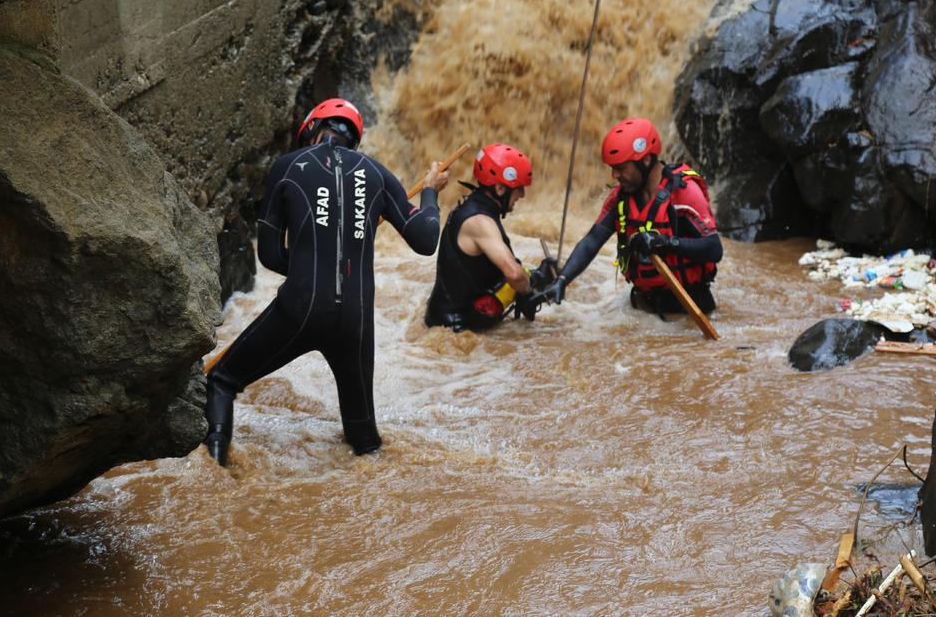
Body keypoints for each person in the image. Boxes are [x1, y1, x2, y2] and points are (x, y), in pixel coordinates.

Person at [203, 98, 448, 466]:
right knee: (363, 437)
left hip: (300, 307)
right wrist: (430, 191)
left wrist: (309, 269)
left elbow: (269, 255)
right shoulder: (377, 173)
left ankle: (214, 479)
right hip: (356, 318)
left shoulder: (287, 167)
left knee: (221, 381)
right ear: (354, 139)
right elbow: (426, 240)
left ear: (311, 129)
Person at [522, 117, 722, 317]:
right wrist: (562, 280)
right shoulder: (620, 199)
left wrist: (665, 242)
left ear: (645, 160)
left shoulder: (684, 193)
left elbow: (714, 248)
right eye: (612, 168)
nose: (614, 175)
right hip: (644, 310)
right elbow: (592, 240)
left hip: (688, 311)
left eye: (620, 168)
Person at [425, 144, 553, 332]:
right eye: (519, 189)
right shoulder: (480, 222)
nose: (523, 195)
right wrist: (529, 294)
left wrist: (535, 277)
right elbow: (514, 275)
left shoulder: (474, 207)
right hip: (455, 328)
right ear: (500, 189)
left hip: (445, 318)